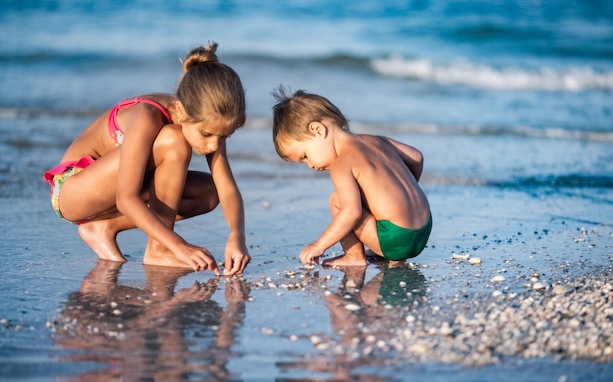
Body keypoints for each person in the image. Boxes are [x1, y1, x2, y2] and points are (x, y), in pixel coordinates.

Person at [43, 42, 250, 275]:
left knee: (209, 193)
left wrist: (237, 236)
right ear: (181, 111)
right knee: (176, 141)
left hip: (111, 193)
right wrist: (178, 245)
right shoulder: (147, 115)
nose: (213, 144)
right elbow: (126, 198)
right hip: (72, 191)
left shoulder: (206, 120)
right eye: (207, 134)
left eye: (224, 136)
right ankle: (159, 251)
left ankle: (104, 227)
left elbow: (227, 188)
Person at [272, 88, 432, 267]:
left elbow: (351, 212)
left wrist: (320, 245)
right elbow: (417, 157)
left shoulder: (342, 163)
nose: (310, 166)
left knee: (337, 200)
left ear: (317, 130)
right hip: (425, 228)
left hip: (396, 240)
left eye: (305, 156)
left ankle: (353, 256)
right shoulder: (377, 140)